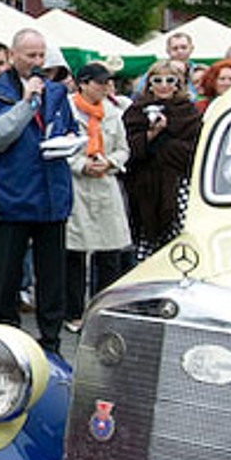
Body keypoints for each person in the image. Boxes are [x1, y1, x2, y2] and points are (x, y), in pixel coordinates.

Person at [0, 28, 77, 353]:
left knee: (51, 278)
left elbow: (71, 130)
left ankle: (51, 340)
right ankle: (7, 340)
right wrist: (26, 102)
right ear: (13, 54)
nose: (36, 62)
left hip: (51, 196)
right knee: (6, 277)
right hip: (12, 196)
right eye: (30, 55)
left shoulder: (57, 93)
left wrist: (72, 144)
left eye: (40, 55)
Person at [64, 63, 131, 325]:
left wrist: (111, 163)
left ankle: (102, 308)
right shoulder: (67, 110)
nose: (105, 87)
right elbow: (60, 145)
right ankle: (73, 312)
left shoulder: (113, 112)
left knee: (110, 249)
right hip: (76, 185)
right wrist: (81, 164)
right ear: (83, 83)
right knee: (75, 251)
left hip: (105, 184)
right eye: (99, 83)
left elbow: (123, 149)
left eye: (107, 83)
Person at [124, 62, 203, 256]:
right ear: (149, 84)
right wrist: (151, 135)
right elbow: (127, 149)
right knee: (146, 243)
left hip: (177, 184)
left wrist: (165, 143)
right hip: (144, 188)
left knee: (180, 237)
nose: (164, 85)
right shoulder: (135, 111)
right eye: (157, 80)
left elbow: (195, 151)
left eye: (170, 80)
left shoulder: (189, 112)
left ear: (178, 84)